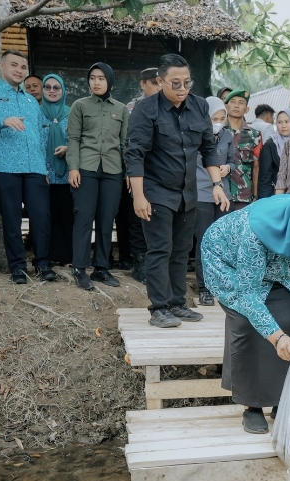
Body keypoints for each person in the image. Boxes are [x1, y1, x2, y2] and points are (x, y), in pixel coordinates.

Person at [201, 183, 290, 434]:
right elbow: (248, 294)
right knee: (247, 321)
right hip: (228, 260)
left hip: (280, 267)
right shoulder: (256, 232)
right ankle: (252, 405)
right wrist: (277, 338)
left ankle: (282, 399)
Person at [125, 53, 229, 328]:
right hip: (156, 190)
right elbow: (134, 154)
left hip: (188, 192)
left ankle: (177, 303)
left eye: (187, 82)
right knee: (160, 249)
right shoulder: (146, 109)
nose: (183, 88)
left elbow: (208, 149)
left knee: (182, 251)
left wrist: (217, 185)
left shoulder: (199, 106)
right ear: (160, 81)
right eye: (176, 83)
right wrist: (139, 196)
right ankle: (159, 308)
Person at [0, 50, 55, 283]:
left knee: (41, 216)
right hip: (4, 165)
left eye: (23, 67)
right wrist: (2, 121)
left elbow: (40, 136)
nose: (19, 70)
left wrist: (45, 168)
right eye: (14, 65)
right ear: (1, 66)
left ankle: (42, 263)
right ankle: (17, 267)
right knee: (11, 218)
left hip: (35, 167)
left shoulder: (31, 100)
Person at [67, 62, 128, 290]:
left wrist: (129, 173)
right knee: (83, 217)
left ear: (109, 81)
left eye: (101, 78)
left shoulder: (121, 109)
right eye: (92, 78)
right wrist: (73, 167)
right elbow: (73, 139)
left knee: (106, 219)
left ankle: (101, 268)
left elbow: (125, 143)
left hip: (113, 170)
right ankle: (79, 268)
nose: (96, 82)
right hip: (86, 168)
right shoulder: (80, 106)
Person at [194, 95, 234, 306]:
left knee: (223, 243)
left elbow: (232, 160)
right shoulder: (196, 135)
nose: (218, 123)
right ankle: (204, 288)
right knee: (204, 241)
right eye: (213, 119)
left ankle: (222, 286)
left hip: (223, 194)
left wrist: (228, 167)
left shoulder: (227, 135)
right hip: (201, 192)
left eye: (221, 118)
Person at [124, 67, 162, 282]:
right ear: (143, 84)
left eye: (160, 82)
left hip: (162, 172)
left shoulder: (169, 107)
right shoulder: (131, 109)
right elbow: (126, 143)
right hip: (139, 171)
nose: (158, 87)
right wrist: (130, 171)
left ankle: (157, 262)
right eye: (154, 83)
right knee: (138, 216)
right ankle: (140, 261)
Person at [40, 74, 73, 267]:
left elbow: (79, 140)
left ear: (63, 90)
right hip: (44, 174)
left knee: (68, 215)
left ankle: (68, 257)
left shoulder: (72, 113)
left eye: (56, 87)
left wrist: (69, 149)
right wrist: (41, 171)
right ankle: (50, 255)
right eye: (48, 87)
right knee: (47, 216)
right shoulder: (36, 113)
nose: (52, 91)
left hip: (69, 175)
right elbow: (33, 143)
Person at [223, 90, 260, 205]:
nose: (236, 105)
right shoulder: (218, 131)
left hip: (243, 195)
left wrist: (255, 195)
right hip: (221, 194)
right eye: (233, 102)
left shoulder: (254, 134)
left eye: (241, 102)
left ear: (247, 109)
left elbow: (256, 167)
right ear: (226, 106)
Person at [257, 107, 290, 200]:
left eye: (287, 122)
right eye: (279, 122)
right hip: (277, 196)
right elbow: (265, 177)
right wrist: (266, 201)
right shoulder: (271, 145)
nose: (283, 126)